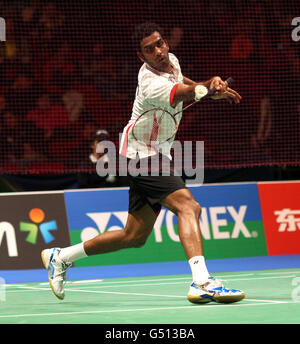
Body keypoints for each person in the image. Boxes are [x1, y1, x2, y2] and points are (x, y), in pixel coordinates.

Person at [41, 22, 244, 304]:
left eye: (160, 43)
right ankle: (202, 282)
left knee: (133, 235)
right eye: (150, 49)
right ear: (141, 56)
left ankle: (60, 256)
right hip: (142, 154)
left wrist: (209, 87)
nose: (159, 51)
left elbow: (185, 84)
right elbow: (181, 94)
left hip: (155, 153)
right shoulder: (149, 82)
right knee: (189, 207)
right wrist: (209, 86)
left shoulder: (171, 61)